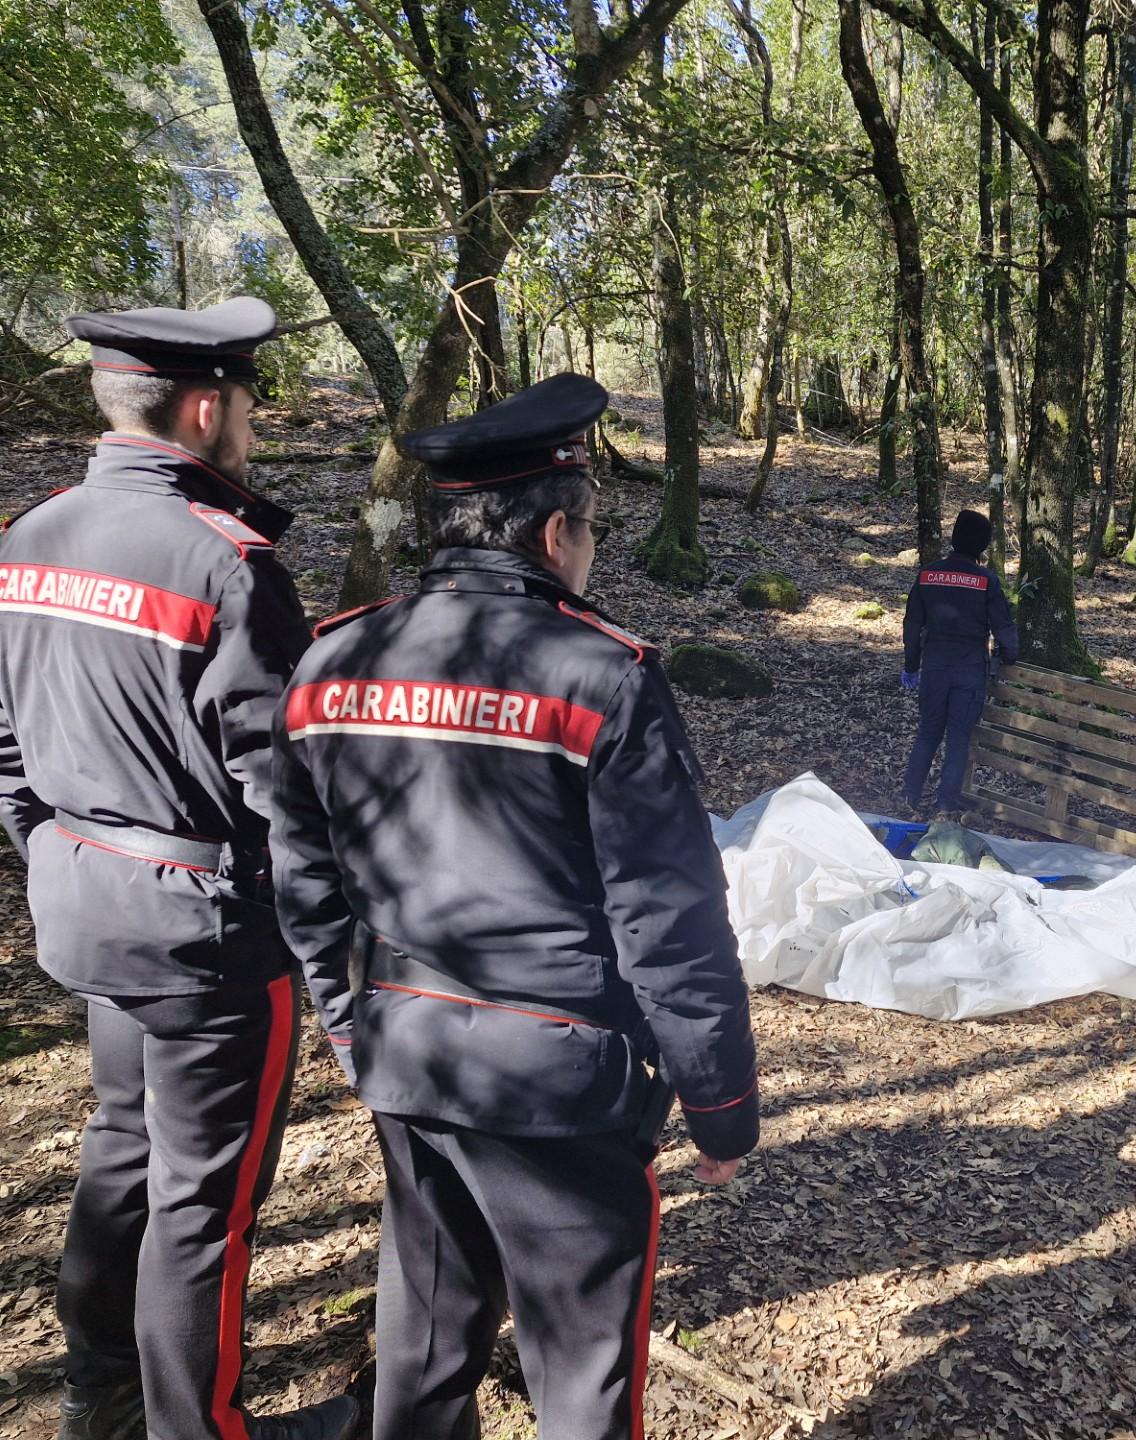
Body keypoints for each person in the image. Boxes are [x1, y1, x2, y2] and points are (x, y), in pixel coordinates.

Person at [269, 373, 760, 1440]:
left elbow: (303, 874)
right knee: (581, 1372)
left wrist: (345, 1019)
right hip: (561, 1083)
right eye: (587, 533)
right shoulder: (605, 676)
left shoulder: (329, 659)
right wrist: (722, 1105)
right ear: (553, 532)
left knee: (427, 1348)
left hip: (408, 1051)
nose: (590, 555)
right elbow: (669, 917)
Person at [0, 300, 356, 1440]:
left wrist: (52, 852)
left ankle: (95, 1393)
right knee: (203, 1202)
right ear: (206, 407)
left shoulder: (29, 537)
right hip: (205, 933)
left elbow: (6, 745)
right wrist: (333, 961)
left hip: (85, 900)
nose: (252, 424)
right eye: (247, 403)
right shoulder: (228, 563)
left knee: (120, 1147)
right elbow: (288, 798)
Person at [899, 509, 1017, 818]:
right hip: (970, 670)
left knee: (928, 732)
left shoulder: (928, 575)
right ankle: (945, 806)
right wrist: (1008, 655)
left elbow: (912, 625)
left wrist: (911, 666)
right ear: (981, 545)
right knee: (958, 739)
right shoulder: (986, 580)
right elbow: (1004, 627)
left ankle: (909, 797)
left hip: (935, 666)